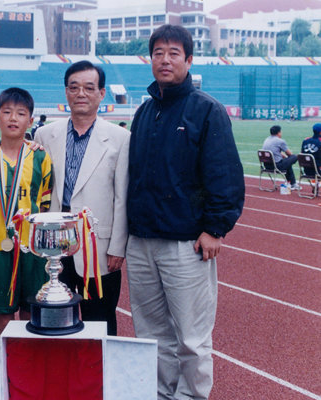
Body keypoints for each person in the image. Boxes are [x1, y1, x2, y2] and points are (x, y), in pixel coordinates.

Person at [126, 25, 244, 399]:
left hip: (186, 245)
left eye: (174, 53)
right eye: (158, 52)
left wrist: (215, 228)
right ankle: (161, 394)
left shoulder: (206, 110)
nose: (165, 59)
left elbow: (224, 175)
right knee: (151, 336)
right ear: (150, 59)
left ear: (188, 60)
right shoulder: (145, 113)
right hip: (143, 243)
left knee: (191, 338)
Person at [35, 60, 130, 336]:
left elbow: (122, 196)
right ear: (66, 92)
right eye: (74, 87)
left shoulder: (120, 138)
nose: (81, 94)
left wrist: (117, 247)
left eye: (89, 87)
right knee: (55, 319)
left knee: (99, 320)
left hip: (98, 248)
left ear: (102, 93)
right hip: (55, 245)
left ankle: (99, 377)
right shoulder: (45, 134)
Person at [0, 87, 53, 335]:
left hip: (31, 250)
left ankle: (27, 369)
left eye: (20, 113)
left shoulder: (41, 158)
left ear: (30, 121)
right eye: (6, 112)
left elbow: (45, 204)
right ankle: (3, 366)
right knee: (2, 315)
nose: (12, 118)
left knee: (31, 313)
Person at [263, 125, 300, 190]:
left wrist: (286, 158)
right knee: (295, 157)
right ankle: (292, 183)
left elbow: (276, 152)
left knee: (287, 162)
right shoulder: (280, 141)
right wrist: (288, 158)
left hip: (266, 165)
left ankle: (290, 182)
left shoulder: (267, 139)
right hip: (276, 166)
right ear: (279, 132)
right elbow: (289, 154)